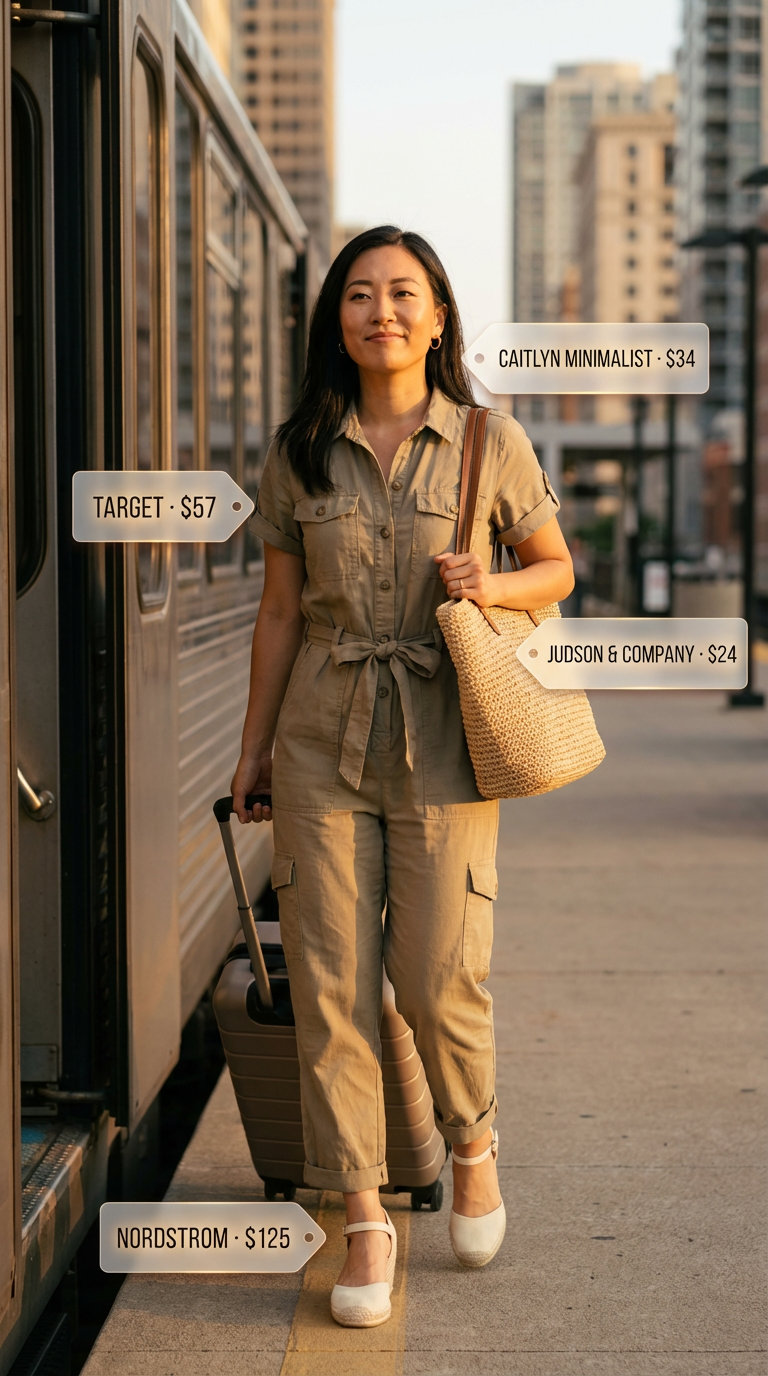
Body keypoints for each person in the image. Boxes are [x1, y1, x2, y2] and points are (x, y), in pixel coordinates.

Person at [230, 225, 574, 1328]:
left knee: (433, 977)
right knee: (333, 992)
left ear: (436, 316)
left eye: (403, 293)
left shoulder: (487, 440)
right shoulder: (298, 450)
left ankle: (471, 1135)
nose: (382, 310)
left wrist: (496, 586)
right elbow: (280, 611)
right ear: (336, 319)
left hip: (443, 742)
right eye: (360, 295)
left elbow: (558, 569)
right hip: (321, 742)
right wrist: (251, 750)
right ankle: (364, 1215)